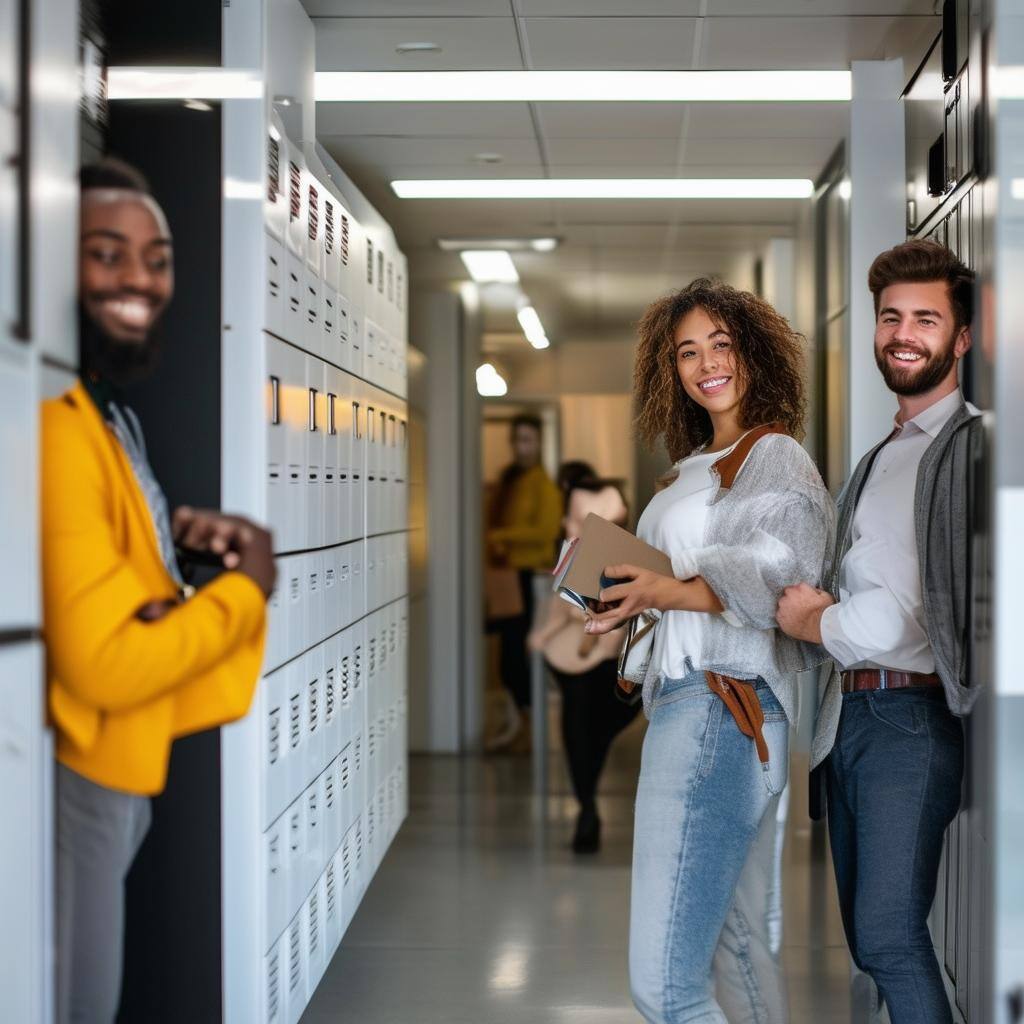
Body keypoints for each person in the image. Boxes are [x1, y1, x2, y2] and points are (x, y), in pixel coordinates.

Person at [43, 158, 275, 1023]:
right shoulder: (51, 423)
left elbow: (130, 596)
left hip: (122, 760)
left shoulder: (107, 417)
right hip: (79, 761)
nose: (139, 277)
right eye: (106, 254)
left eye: (157, 256)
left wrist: (182, 578)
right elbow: (106, 660)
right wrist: (244, 590)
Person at [586, 278, 834, 1023]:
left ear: (755, 352)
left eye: (720, 344)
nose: (705, 364)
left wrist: (658, 589)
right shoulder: (696, 464)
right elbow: (678, 581)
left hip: (722, 708)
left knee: (665, 987)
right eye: (687, 352)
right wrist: (614, 579)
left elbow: (776, 575)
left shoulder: (774, 454)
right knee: (736, 947)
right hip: (697, 703)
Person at [777, 239, 982, 1024]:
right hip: (852, 720)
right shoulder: (882, 455)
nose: (904, 333)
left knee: (892, 935)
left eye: (926, 319)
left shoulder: (967, 449)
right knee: (868, 944)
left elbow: (906, 613)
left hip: (909, 720)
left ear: (961, 338)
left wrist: (811, 618)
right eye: (891, 316)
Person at [528, 462, 640, 853]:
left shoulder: (624, 556)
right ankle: (587, 807)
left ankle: (587, 805)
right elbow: (560, 606)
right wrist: (546, 633)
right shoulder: (570, 552)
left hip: (610, 658)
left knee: (595, 726)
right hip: (571, 657)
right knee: (579, 727)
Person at [485, 413, 563, 753]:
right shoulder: (511, 480)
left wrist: (501, 535)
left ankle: (527, 730)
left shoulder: (543, 486)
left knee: (518, 659)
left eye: (528, 440)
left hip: (528, 578)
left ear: (539, 443)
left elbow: (544, 534)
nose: (522, 447)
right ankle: (519, 725)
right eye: (517, 440)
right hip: (505, 576)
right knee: (506, 660)